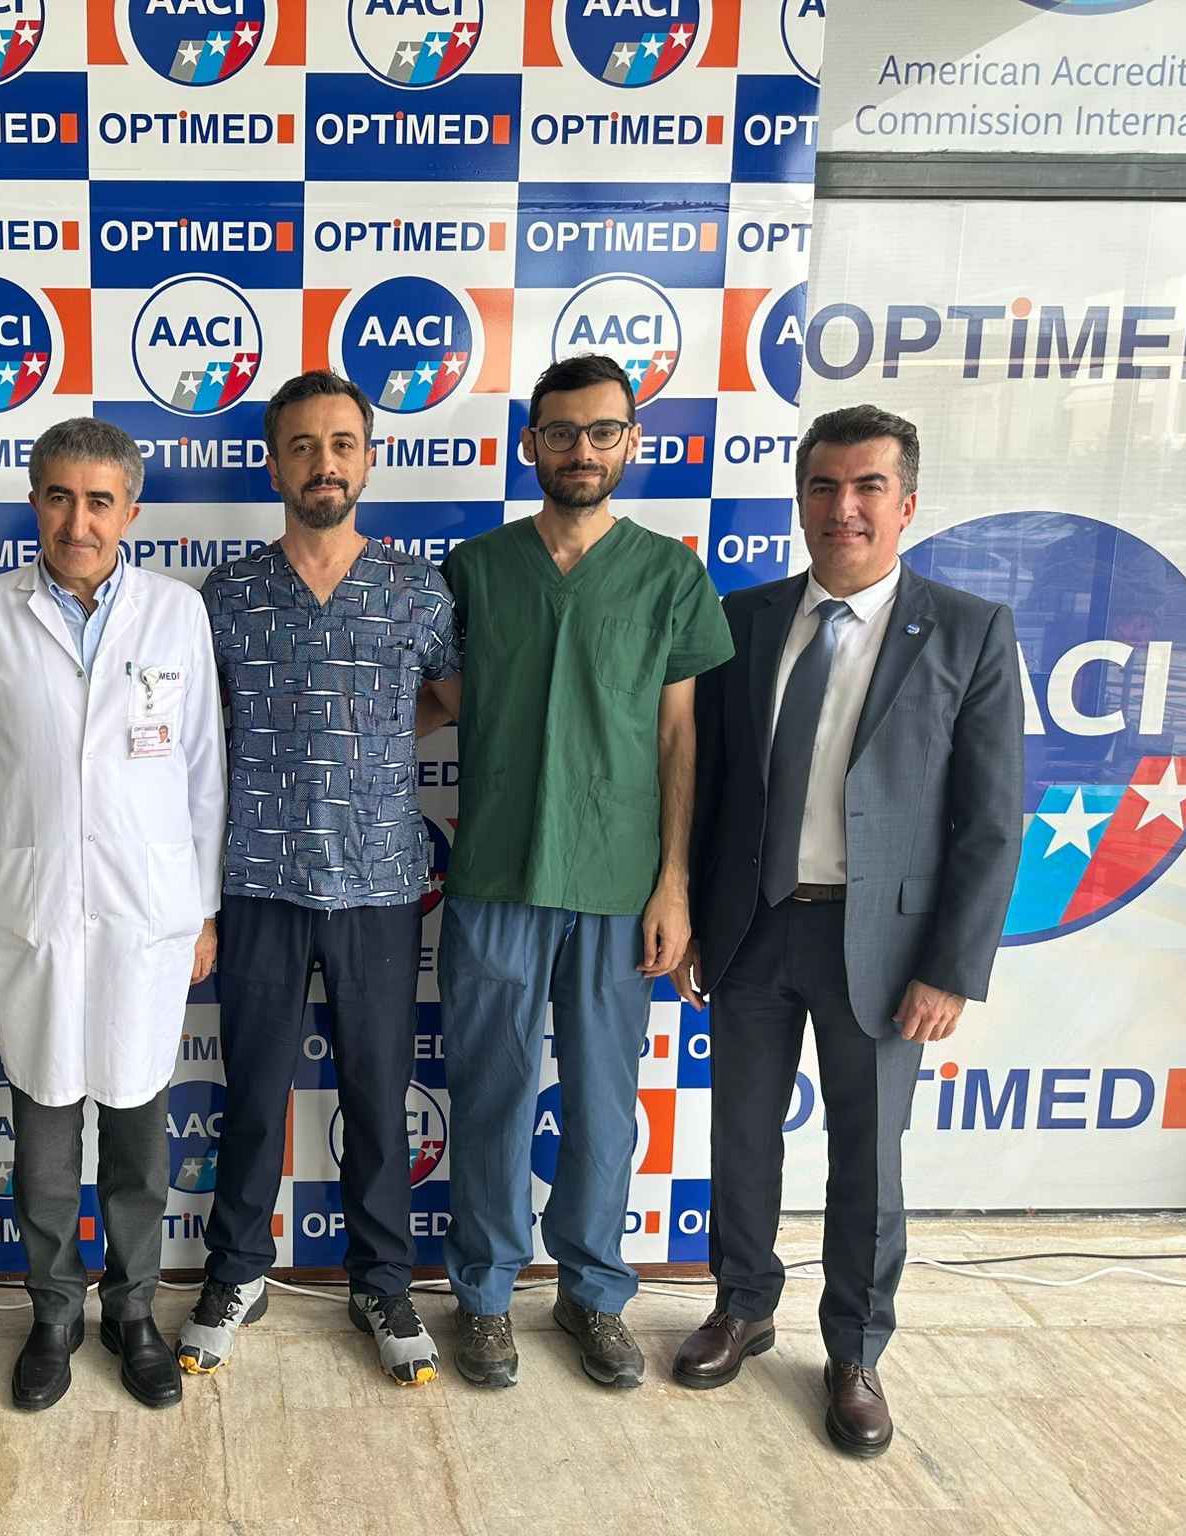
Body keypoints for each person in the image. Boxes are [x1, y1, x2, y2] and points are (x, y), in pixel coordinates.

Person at [673, 405, 1022, 1457]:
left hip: (884, 946)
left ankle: (856, 1351)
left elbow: (990, 821)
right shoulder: (741, 619)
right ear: (800, 502)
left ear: (906, 503)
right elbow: (710, 787)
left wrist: (951, 967)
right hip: (752, 928)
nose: (844, 507)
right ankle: (742, 1306)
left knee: (867, 1159)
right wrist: (692, 915)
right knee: (740, 1136)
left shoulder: (967, 631)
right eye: (823, 487)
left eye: (868, 486)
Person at [427, 353, 732, 1390]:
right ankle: (482, 1295)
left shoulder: (668, 575)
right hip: (495, 877)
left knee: (603, 1105)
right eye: (561, 432)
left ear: (631, 442)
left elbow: (678, 738)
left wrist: (674, 883)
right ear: (531, 445)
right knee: (491, 1097)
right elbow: (430, 700)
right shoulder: (475, 570)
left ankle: (593, 1291)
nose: (582, 450)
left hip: (618, 883)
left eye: (603, 431)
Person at [0, 417, 225, 1412]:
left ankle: (133, 1312)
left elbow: (201, 773)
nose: (78, 521)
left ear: (130, 512)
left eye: (99, 501)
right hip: (32, 911)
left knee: (141, 1134)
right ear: (34, 502)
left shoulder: (175, 614)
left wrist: (201, 912)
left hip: (149, 912)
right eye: (58, 497)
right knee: (47, 1130)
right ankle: (54, 1313)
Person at [180, 371, 459, 1386]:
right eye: (302, 446)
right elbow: (197, 729)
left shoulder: (417, 590)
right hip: (257, 877)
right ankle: (236, 1273)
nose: (323, 463)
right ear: (274, 465)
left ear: (368, 459)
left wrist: (373, 740)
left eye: (341, 444)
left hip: (379, 883)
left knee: (376, 1097)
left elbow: (450, 697)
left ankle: (381, 1283)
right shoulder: (227, 594)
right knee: (253, 1094)